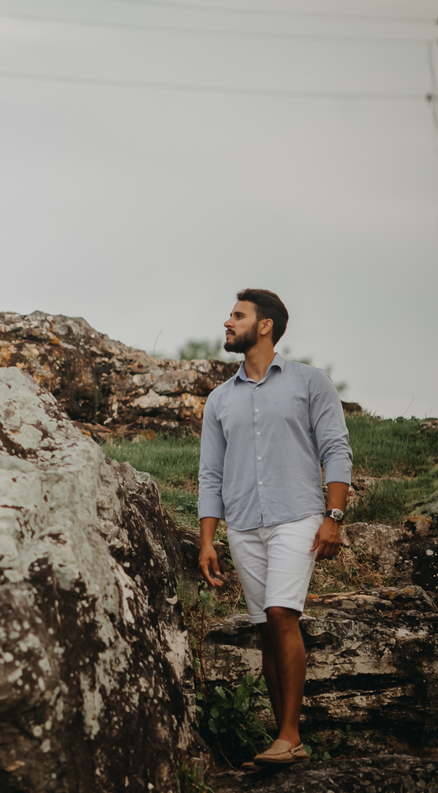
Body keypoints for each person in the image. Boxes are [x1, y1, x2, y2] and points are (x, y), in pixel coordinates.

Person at [198, 288, 352, 768]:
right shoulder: (219, 399)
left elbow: (336, 450)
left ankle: (289, 735)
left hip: (298, 517)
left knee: (283, 614)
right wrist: (208, 538)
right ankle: (285, 739)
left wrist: (334, 517)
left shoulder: (310, 382)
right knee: (267, 626)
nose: (228, 321)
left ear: (264, 326)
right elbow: (210, 474)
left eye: (237, 315)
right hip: (244, 525)